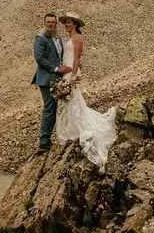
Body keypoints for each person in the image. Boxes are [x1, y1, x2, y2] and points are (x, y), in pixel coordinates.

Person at [53, 12, 118, 170]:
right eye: (66, 23)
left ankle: (77, 131)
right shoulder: (69, 39)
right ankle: (71, 132)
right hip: (65, 72)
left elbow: (76, 58)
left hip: (71, 73)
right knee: (68, 103)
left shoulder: (77, 38)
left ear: (75, 24)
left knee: (73, 101)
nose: (67, 25)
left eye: (69, 23)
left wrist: (73, 75)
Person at [32, 11, 67, 154]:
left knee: (56, 108)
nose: (51, 25)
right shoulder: (40, 38)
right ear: (44, 23)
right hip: (46, 79)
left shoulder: (57, 38)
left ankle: (51, 139)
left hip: (57, 79)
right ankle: (44, 142)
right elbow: (39, 58)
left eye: (53, 23)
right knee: (49, 108)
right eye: (48, 22)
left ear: (56, 24)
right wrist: (55, 68)